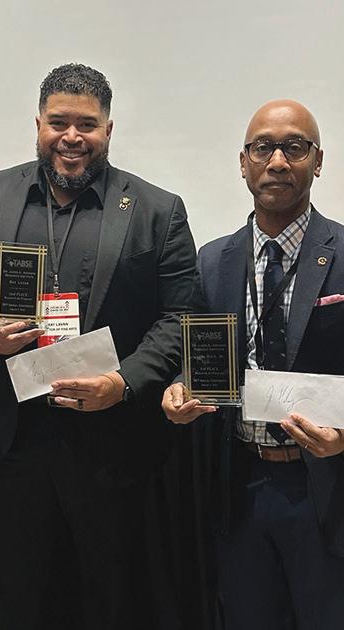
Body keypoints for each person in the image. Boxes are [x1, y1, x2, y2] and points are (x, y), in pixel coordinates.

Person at [0, 63, 197, 629]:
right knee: (9, 602)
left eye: (87, 125)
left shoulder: (157, 210)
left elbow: (179, 316)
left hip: (109, 448)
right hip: (6, 445)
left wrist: (123, 383)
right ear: (38, 125)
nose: (72, 137)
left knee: (108, 602)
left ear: (108, 130)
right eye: (59, 123)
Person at [162, 100, 344, 630]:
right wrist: (179, 389)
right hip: (240, 487)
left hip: (325, 487)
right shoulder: (212, 260)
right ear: (243, 163)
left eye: (294, 147)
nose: (278, 161)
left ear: (318, 161)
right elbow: (198, 356)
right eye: (263, 147)